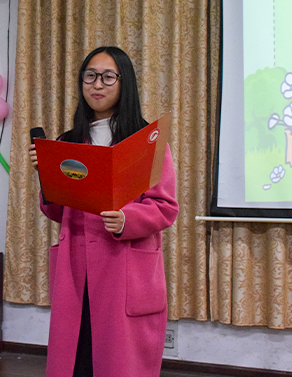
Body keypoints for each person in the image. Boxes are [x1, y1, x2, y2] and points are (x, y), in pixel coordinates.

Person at [28, 46, 179, 377]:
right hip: (76, 267)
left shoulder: (147, 141)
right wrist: (47, 178)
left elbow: (165, 207)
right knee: (77, 359)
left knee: (118, 362)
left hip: (123, 268)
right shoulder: (68, 141)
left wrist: (127, 219)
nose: (97, 84)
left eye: (108, 77)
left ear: (125, 83)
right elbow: (59, 212)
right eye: (90, 76)